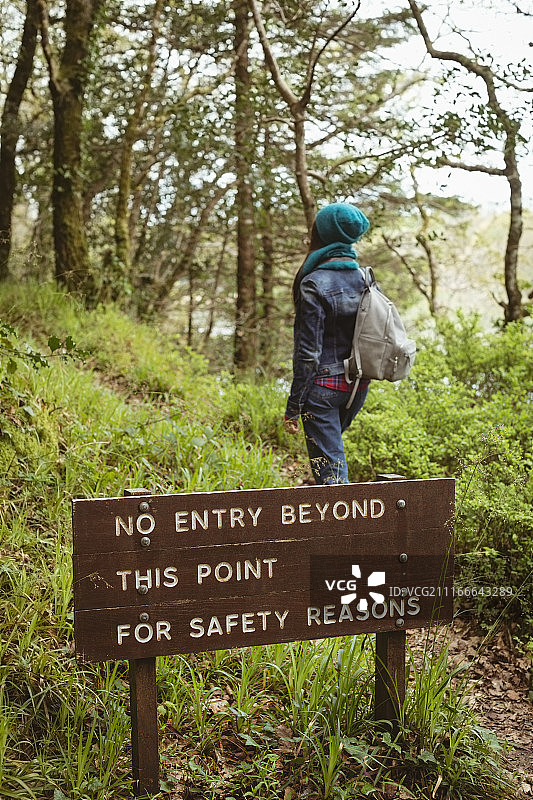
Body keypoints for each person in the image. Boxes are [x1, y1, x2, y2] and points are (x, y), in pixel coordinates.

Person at [284, 202, 371, 485]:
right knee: (332, 459)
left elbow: (308, 354)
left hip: (323, 390)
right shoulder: (366, 278)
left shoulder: (313, 283)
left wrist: (294, 405)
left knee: (331, 475)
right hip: (358, 387)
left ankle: (345, 528)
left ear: (320, 234)